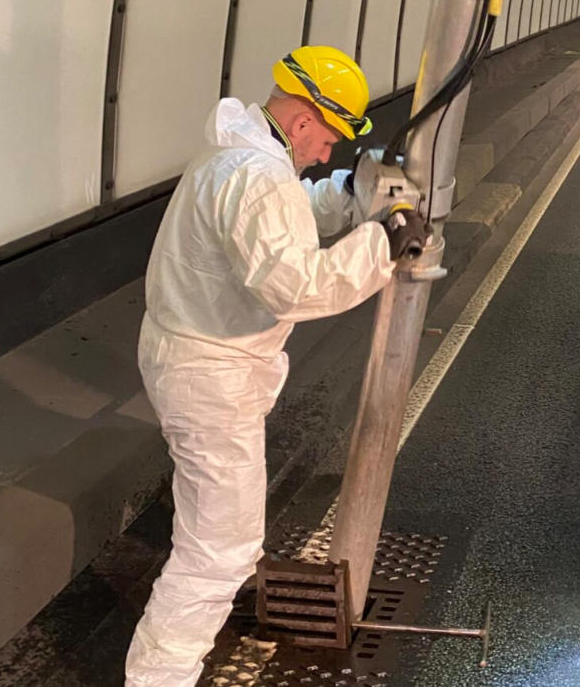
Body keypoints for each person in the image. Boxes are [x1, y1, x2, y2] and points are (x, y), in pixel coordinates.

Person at [125, 46, 426, 686]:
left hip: (199, 359)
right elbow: (294, 285)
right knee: (215, 554)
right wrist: (384, 243)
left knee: (220, 532)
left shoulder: (243, 153)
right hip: (210, 374)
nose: (327, 154)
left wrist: (350, 195)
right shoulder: (256, 176)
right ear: (301, 122)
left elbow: (286, 212)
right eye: (329, 141)